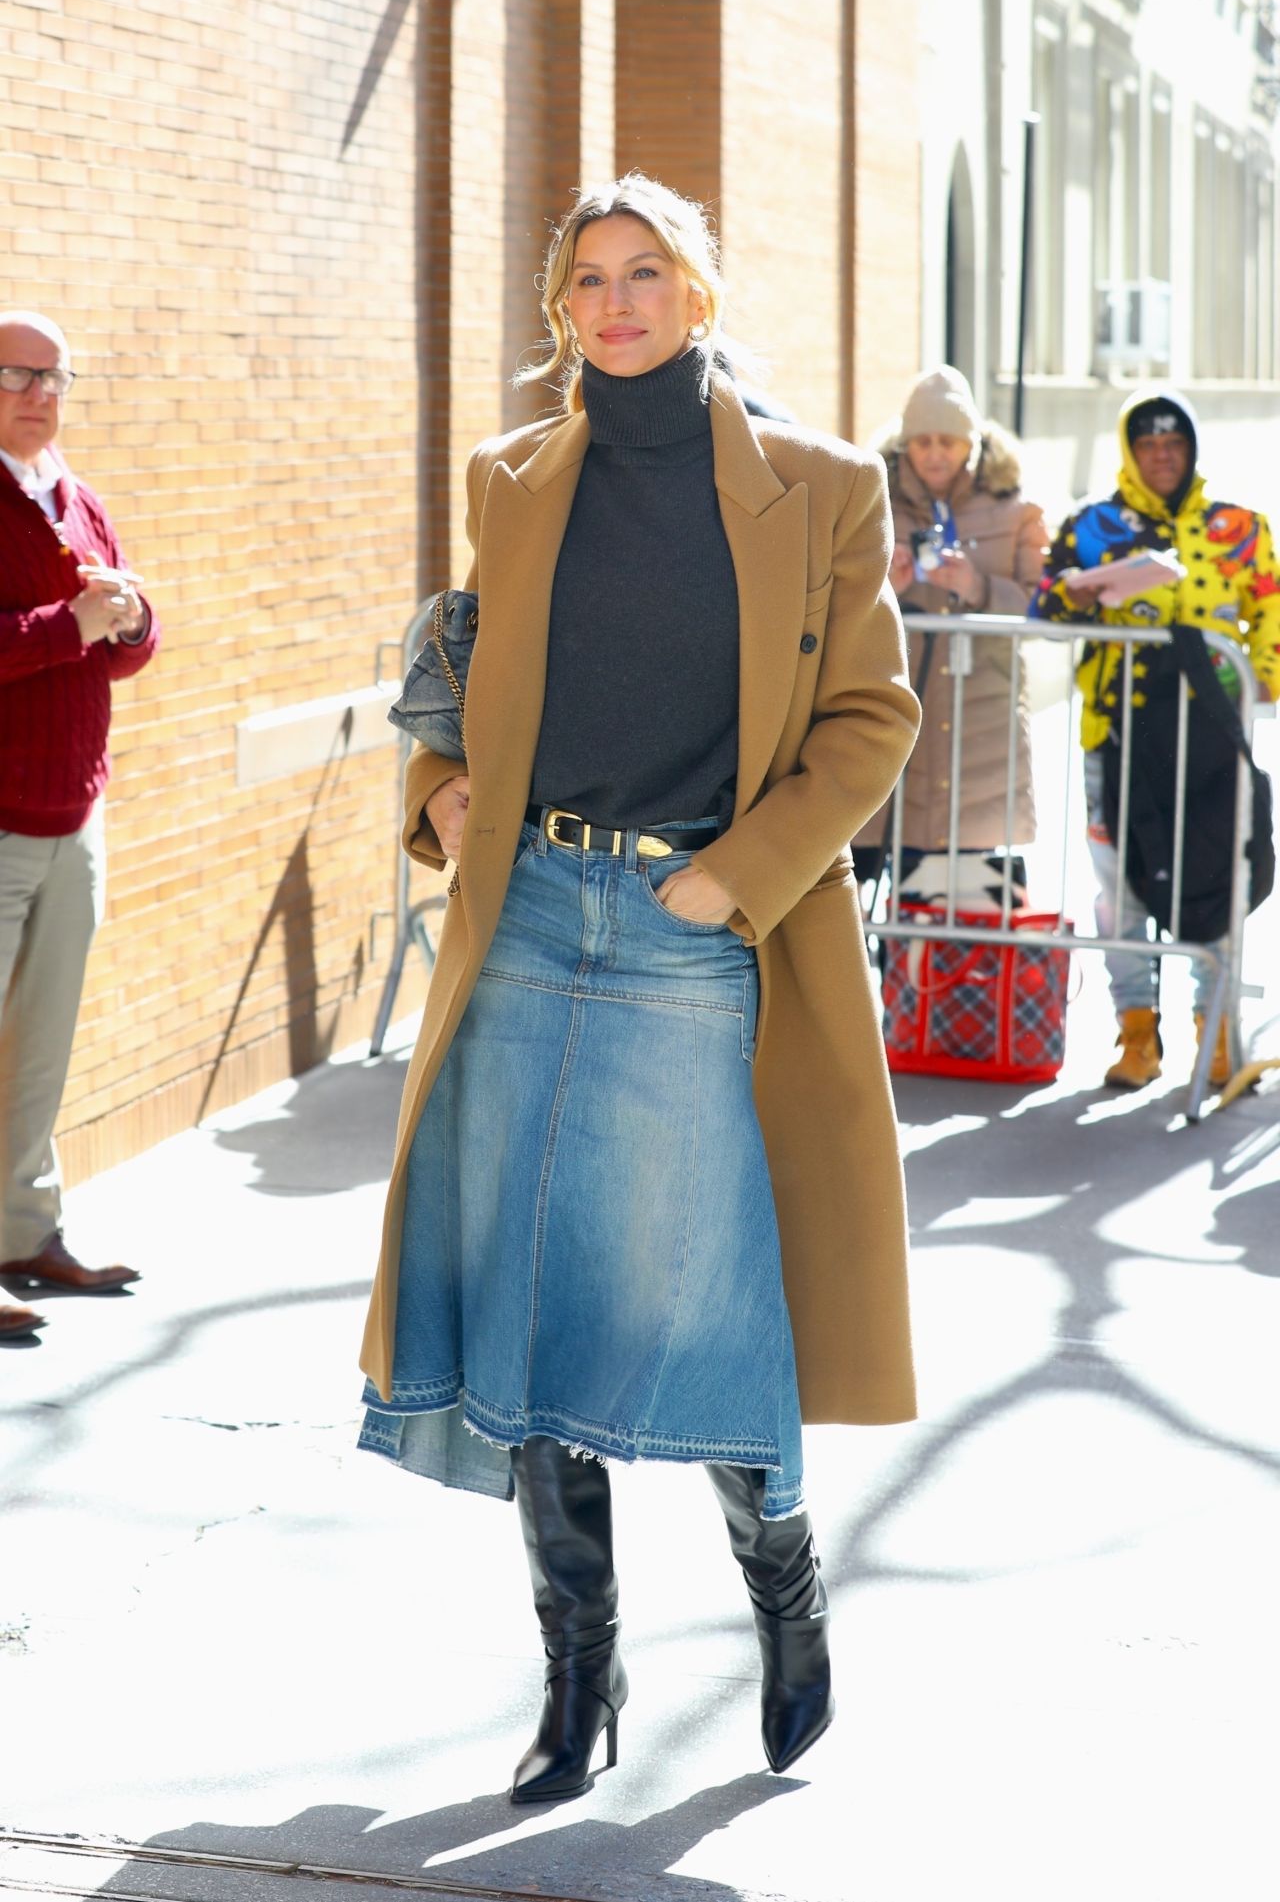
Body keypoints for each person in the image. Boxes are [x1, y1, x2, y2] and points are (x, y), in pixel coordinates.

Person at [357, 174, 920, 1800]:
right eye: (590, 279)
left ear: (701, 294)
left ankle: (784, 1580)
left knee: (710, 1300)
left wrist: (733, 878)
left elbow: (871, 720)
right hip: (531, 916)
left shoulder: (819, 486)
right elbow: (460, 676)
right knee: (537, 1304)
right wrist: (444, 793)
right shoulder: (516, 480)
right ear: (560, 313)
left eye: (647, 271)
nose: (618, 300)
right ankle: (577, 1674)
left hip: (699, 928)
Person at [1030, 387, 1280, 1088]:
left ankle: (1216, 1029)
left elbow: (1270, 608)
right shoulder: (1092, 524)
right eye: (1148, 445)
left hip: (1211, 738)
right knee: (1119, 891)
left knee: (1217, 877)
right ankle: (1136, 1033)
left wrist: (1261, 677)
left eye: (1174, 444)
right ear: (1130, 452)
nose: (1162, 456)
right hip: (1117, 733)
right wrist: (1075, 592)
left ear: (1191, 449)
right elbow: (1042, 602)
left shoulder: (1241, 526)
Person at [0, 311, 157, 1338]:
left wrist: (134, 619)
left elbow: (124, 649)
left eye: (54, 376)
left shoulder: (77, 495)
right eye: (16, 374)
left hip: (73, 815)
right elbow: (54, 638)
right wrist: (73, 625)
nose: (38, 392)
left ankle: (22, 1233)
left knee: (40, 1047)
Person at [852, 364, 1048, 906]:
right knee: (891, 905)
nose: (935, 454)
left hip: (981, 718)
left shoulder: (1015, 508)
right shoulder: (870, 496)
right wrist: (883, 585)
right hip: (895, 707)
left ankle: (968, 992)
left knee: (978, 903)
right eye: (922, 441)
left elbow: (1046, 603)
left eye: (948, 441)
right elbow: (833, 597)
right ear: (904, 442)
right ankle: (900, 990)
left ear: (973, 443)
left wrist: (979, 587)